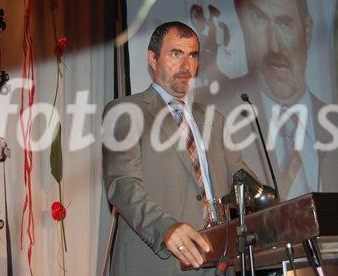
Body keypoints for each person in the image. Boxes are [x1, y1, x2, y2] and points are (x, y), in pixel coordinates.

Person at [195, 0, 338, 199]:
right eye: (258, 18)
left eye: (284, 23)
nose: (274, 46)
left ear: (307, 31)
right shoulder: (209, 119)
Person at [102, 21, 251, 275]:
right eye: (175, 54)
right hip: (158, 263)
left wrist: (273, 206)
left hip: (217, 263)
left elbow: (242, 182)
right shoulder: (125, 112)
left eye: (192, 56)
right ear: (152, 58)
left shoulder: (215, 120)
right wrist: (166, 228)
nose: (185, 66)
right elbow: (122, 185)